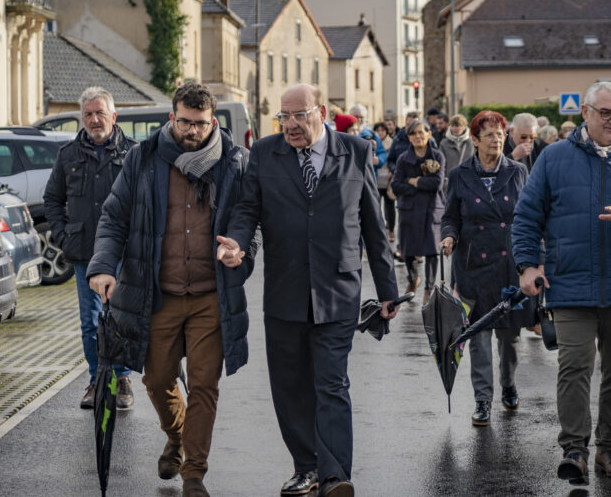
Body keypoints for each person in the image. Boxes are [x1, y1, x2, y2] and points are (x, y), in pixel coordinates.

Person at [216, 84, 399, 497]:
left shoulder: (356, 150)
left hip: (338, 289)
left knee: (331, 383)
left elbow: (372, 224)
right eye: (284, 117)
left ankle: (335, 475)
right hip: (285, 287)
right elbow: (248, 208)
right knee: (290, 384)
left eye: (299, 115)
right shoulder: (264, 153)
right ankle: (307, 466)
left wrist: (388, 289)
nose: (291, 125)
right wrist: (237, 243)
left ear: (322, 113)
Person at [85, 84, 256, 497]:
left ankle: (194, 472)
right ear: (171, 118)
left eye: (199, 124)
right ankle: (177, 437)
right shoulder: (142, 159)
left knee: (203, 384)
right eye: (184, 122)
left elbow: (249, 220)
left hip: (209, 297)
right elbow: (113, 217)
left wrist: (240, 248)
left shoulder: (234, 162)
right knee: (156, 378)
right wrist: (104, 267)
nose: (191, 131)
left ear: (213, 122)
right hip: (155, 294)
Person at [512, 81, 611, 486]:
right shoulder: (553, 158)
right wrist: (527, 266)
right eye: (605, 112)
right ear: (585, 113)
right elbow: (527, 217)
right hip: (569, 282)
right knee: (574, 367)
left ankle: (608, 449)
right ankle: (574, 450)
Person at [43, 86, 136, 410]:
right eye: (88, 114)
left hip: (123, 254)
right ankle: (98, 379)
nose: (94, 119)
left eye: (100, 113)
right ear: (81, 118)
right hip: (84, 252)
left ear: (114, 115)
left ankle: (122, 379)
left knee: (121, 318)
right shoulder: (68, 155)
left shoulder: (134, 154)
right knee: (91, 322)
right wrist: (62, 236)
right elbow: (52, 200)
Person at [441, 110, 533, 427]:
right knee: (478, 336)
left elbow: (531, 215)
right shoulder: (459, 175)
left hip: (510, 266)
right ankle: (483, 400)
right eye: (489, 134)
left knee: (509, 338)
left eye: (500, 134)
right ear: (476, 140)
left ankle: (508, 383)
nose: (496, 139)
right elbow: (450, 215)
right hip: (474, 266)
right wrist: (449, 236)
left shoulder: (518, 171)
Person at [391, 120, 446, 299]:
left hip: (432, 208)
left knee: (431, 250)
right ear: (409, 137)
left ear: (429, 134)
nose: (418, 136)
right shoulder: (403, 159)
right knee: (408, 250)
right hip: (410, 208)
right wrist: (419, 185)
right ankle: (413, 279)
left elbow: (437, 183)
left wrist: (414, 181)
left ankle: (429, 288)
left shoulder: (437, 156)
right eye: (413, 134)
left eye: (421, 132)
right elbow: (396, 185)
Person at [348, 104, 388, 173]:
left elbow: (382, 153)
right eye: (356, 116)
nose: (359, 119)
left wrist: (378, 160)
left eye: (362, 117)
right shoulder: (344, 134)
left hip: (369, 178)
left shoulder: (372, 135)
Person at [374, 122, 396, 241]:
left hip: (388, 180)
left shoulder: (392, 143)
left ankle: (391, 231)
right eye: (378, 130)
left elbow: (395, 160)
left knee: (390, 207)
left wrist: (392, 171)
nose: (380, 132)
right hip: (375, 180)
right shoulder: (372, 142)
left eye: (383, 130)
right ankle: (379, 232)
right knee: (376, 208)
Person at [439, 113, 475, 181]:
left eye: (458, 125)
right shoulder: (444, 143)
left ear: (464, 127)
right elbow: (441, 164)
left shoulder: (471, 143)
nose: (455, 128)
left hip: (468, 180)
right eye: (453, 126)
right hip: (450, 180)